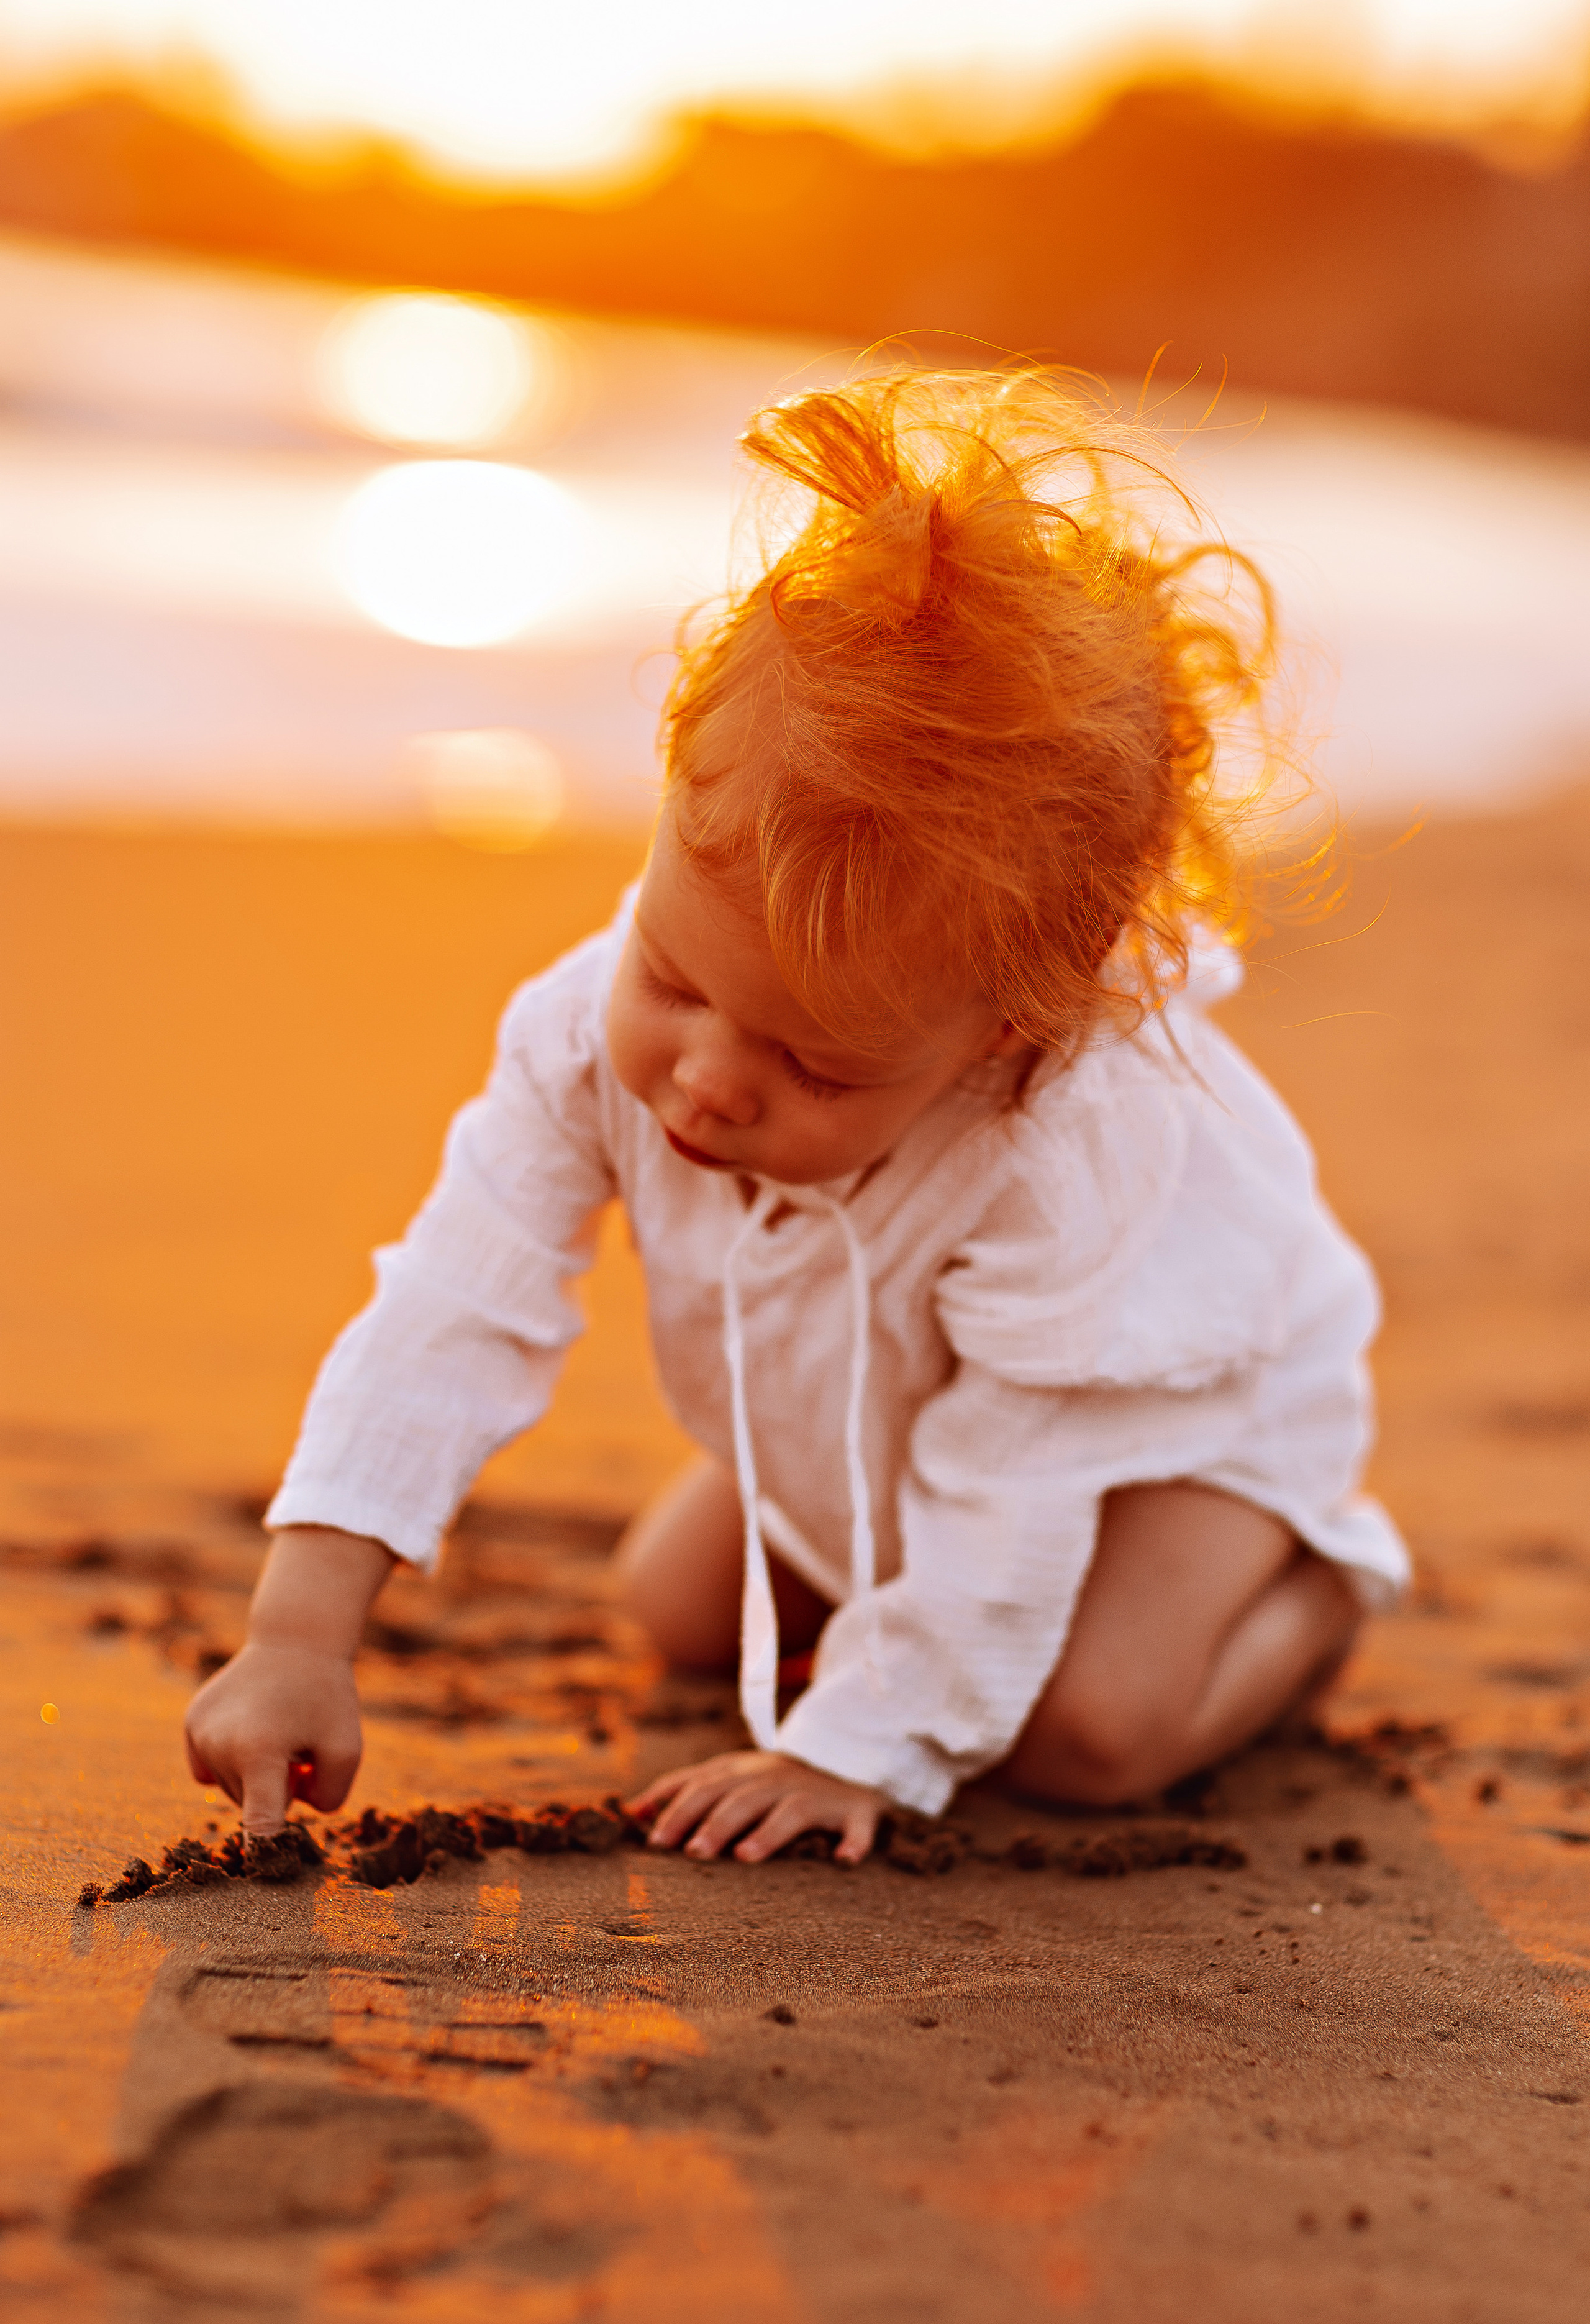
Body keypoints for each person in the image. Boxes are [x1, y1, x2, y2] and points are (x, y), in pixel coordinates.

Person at [185, 367, 1407, 1866]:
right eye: (670, 975)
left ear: (999, 1040)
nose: (704, 1076)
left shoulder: (1065, 1155)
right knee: (675, 1608)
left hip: (1166, 1421)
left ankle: (1316, 1592)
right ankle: (873, 1532)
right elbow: (456, 1303)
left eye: (817, 1069)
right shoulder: (588, 1031)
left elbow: (1012, 1485)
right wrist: (300, 1628)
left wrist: (863, 1748)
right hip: (908, 1394)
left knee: (1080, 1735)